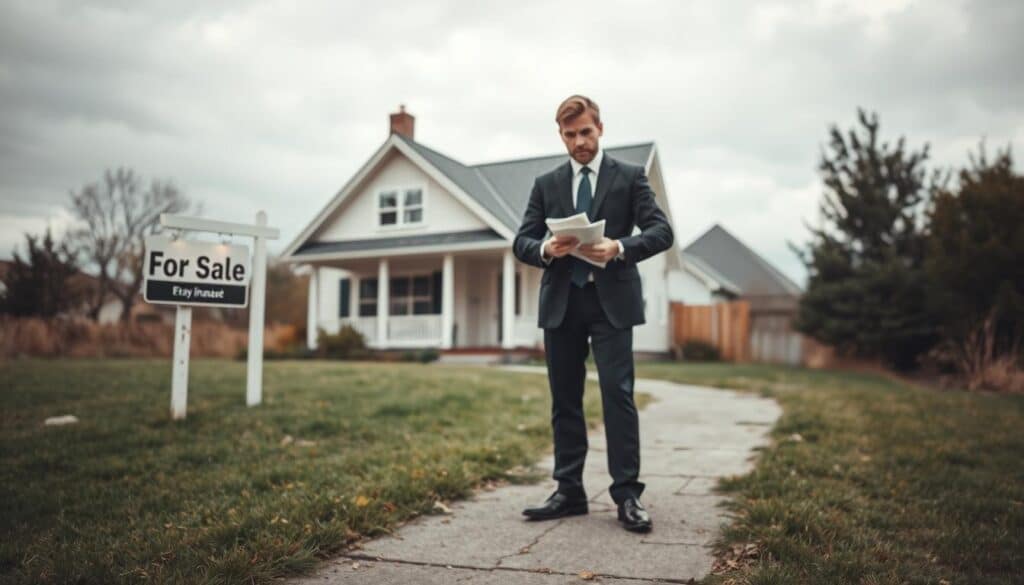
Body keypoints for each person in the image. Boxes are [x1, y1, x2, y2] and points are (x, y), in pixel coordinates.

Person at [512, 94, 674, 533]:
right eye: (570, 134)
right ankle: (569, 492)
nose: (579, 141)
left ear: (600, 128)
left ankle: (627, 496)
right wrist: (546, 247)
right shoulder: (546, 184)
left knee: (617, 397)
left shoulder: (630, 177)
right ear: (561, 136)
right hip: (562, 303)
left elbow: (662, 232)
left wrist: (621, 246)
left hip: (612, 302)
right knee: (564, 399)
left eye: (586, 132)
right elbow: (521, 241)